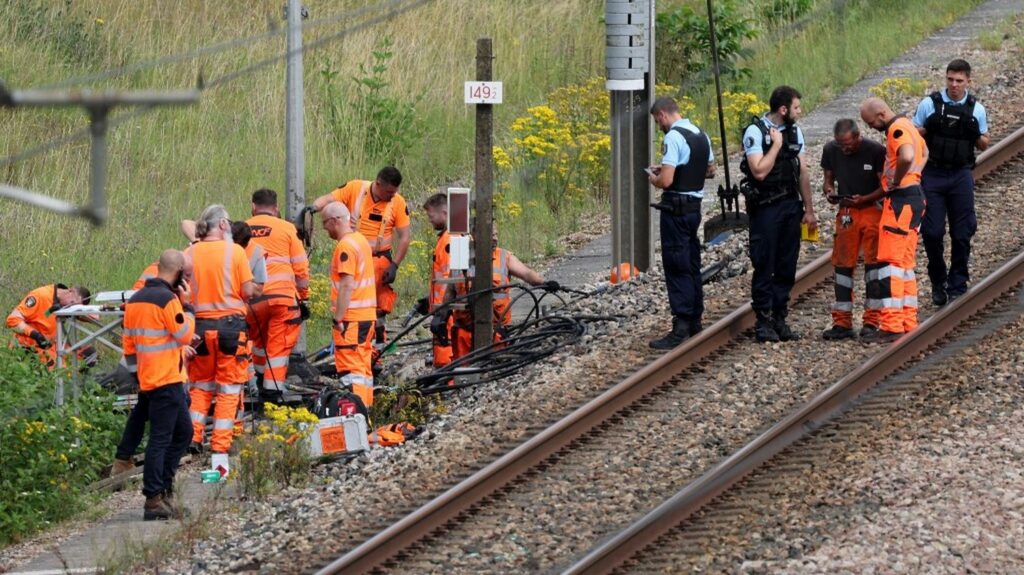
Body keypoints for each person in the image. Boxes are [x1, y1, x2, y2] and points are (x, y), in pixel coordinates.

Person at [120, 249, 195, 520]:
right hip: (167, 380)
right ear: (176, 274)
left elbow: (128, 345)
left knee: (183, 433)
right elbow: (184, 335)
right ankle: (153, 499)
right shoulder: (168, 300)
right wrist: (187, 306)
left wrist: (138, 376)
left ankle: (163, 489)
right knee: (162, 439)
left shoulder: (136, 300)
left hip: (151, 379)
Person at [739, 85, 818, 343]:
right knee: (765, 263)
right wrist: (775, 146)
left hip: (790, 205)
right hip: (766, 208)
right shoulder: (756, 132)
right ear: (783, 110)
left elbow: (803, 172)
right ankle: (763, 321)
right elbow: (759, 171)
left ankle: (779, 317)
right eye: (796, 107)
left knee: (786, 264)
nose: (800, 111)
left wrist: (809, 209)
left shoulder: (795, 131)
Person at [912, 59, 989, 306]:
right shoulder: (929, 104)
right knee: (932, 232)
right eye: (950, 80)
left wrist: (974, 132)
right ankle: (938, 279)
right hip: (933, 174)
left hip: (960, 175)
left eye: (959, 81)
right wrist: (928, 128)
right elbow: (912, 136)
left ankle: (958, 281)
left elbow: (984, 142)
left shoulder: (976, 108)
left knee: (962, 231)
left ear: (968, 81)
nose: (954, 85)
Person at [312, 167, 411, 353]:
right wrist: (311, 209)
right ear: (378, 184)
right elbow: (328, 199)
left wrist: (395, 265)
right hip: (355, 257)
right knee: (352, 303)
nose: (393, 196)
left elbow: (405, 237)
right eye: (389, 192)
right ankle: (353, 343)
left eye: (395, 192)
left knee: (380, 307)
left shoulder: (397, 202)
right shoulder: (356, 189)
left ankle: (377, 351)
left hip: (380, 260)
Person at [184, 205, 257, 454]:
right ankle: (220, 444)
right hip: (230, 328)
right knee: (228, 387)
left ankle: (192, 438)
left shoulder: (189, 253)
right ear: (223, 225)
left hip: (199, 329)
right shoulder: (235, 252)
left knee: (201, 385)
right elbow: (247, 292)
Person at [647, 96, 716, 349]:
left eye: (658, 121)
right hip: (694, 209)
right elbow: (710, 170)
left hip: (675, 210)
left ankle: (682, 323)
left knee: (676, 264)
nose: (659, 126)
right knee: (691, 261)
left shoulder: (673, 137)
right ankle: (695, 317)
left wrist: (653, 178)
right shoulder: (701, 134)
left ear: (663, 115)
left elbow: (666, 181)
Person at [860, 97, 928, 342]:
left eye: (870, 123)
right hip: (915, 197)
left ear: (880, 114)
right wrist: (915, 175)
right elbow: (924, 151)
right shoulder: (908, 124)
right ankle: (908, 320)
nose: (870, 128)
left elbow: (908, 156)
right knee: (905, 265)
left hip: (900, 200)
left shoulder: (896, 129)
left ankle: (891, 325)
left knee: (891, 264)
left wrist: (898, 180)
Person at [445, 224, 554, 361]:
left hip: (497, 330)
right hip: (464, 332)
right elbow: (450, 290)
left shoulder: (503, 256)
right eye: (491, 235)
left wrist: (544, 283)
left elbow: (527, 273)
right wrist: (441, 316)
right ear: (474, 236)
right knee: (463, 373)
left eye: (496, 235)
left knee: (496, 368)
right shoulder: (461, 254)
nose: (495, 239)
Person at [820, 119, 887, 340]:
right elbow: (828, 179)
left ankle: (872, 321)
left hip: (871, 211)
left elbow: (885, 186)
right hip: (847, 212)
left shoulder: (876, 151)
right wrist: (829, 190)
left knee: (874, 265)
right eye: (841, 145)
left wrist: (864, 198)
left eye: (848, 144)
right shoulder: (831, 150)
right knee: (842, 265)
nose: (844, 149)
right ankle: (842, 322)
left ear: (858, 136)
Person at [245, 188, 310, 396]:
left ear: (253, 206)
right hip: (282, 299)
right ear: (276, 208)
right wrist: (303, 297)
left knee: (258, 343)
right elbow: (301, 268)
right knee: (278, 347)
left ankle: (259, 381)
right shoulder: (287, 228)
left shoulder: (242, 229)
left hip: (253, 300)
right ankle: (272, 393)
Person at [322, 201, 377, 407]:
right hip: (366, 316)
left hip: (351, 319)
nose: (324, 228)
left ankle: (355, 417)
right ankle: (366, 413)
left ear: (335, 221)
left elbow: (346, 284)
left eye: (325, 223)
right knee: (363, 370)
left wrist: (338, 317)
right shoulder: (360, 240)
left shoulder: (345, 246)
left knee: (351, 371)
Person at [7, 283, 91, 366]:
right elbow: (13, 319)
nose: (70, 307)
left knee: (87, 354)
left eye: (74, 307)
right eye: (72, 303)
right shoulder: (41, 295)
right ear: (70, 291)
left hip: (48, 347)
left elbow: (92, 316)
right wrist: (35, 334)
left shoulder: (64, 306)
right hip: (28, 347)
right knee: (63, 371)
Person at [421, 193, 454, 367]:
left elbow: (453, 279)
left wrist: (443, 309)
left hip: (447, 312)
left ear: (444, 212)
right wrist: (429, 300)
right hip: (443, 309)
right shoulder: (444, 239)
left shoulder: (450, 240)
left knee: (446, 356)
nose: (430, 220)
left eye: (431, 216)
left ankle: (448, 386)